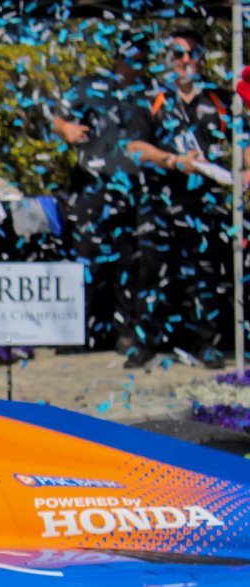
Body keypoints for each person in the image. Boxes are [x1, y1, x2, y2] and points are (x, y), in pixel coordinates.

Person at [127, 27, 250, 369]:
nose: (185, 60)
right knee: (153, 272)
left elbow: (243, 143)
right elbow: (135, 146)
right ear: (167, 58)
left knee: (206, 273)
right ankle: (145, 343)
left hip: (205, 201)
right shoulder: (150, 96)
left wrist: (245, 173)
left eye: (192, 53)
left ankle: (208, 343)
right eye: (178, 54)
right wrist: (172, 160)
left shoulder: (220, 99)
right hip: (159, 199)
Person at [50, 29, 154, 355]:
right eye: (130, 59)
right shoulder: (90, 85)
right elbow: (58, 118)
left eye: (142, 60)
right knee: (87, 258)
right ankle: (79, 333)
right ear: (118, 58)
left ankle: (126, 333)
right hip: (91, 184)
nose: (135, 66)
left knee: (128, 260)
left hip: (132, 186)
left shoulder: (151, 92)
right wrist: (67, 128)